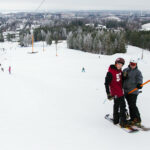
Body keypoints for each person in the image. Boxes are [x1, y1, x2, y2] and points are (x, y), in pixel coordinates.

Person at [105, 58, 129, 128]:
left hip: (120, 91)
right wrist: (108, 94)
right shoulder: (110, 72)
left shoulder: (119, 70)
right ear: (115, 63)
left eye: (121, 65)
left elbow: (120, 80)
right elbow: (106, 84)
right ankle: (123, 122)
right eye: (118, 64)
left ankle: (116, 120)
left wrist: (124, 76)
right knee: (122, 106)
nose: (119, 66)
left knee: (116, 105)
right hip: (115, 92)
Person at [123, 58, 143, 127]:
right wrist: (123, 78)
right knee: (130, 105)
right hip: (126, 91)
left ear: (136, 64)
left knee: (133, 105)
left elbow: (140, 79)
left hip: (133, 91)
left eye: (134, 64)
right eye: (131, 64)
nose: (132, 65)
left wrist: (139, 84)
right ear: (129, 63)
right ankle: (132, 118)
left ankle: (137, 119)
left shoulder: (138, 72)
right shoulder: (125, 70)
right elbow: (121, 77)